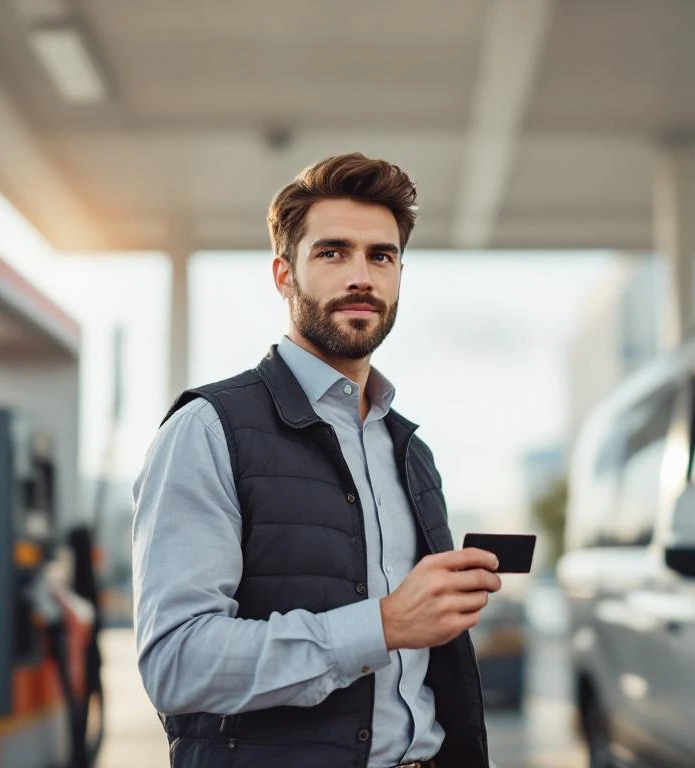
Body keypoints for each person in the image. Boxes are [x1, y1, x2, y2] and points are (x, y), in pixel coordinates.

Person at [132, 153, 501, 768]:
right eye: (333, 253)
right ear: (284, 275)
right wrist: (380, 624)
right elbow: (176, 662)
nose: (361, 276)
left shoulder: (412, 452)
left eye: (381, 256)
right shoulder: (207, 430)